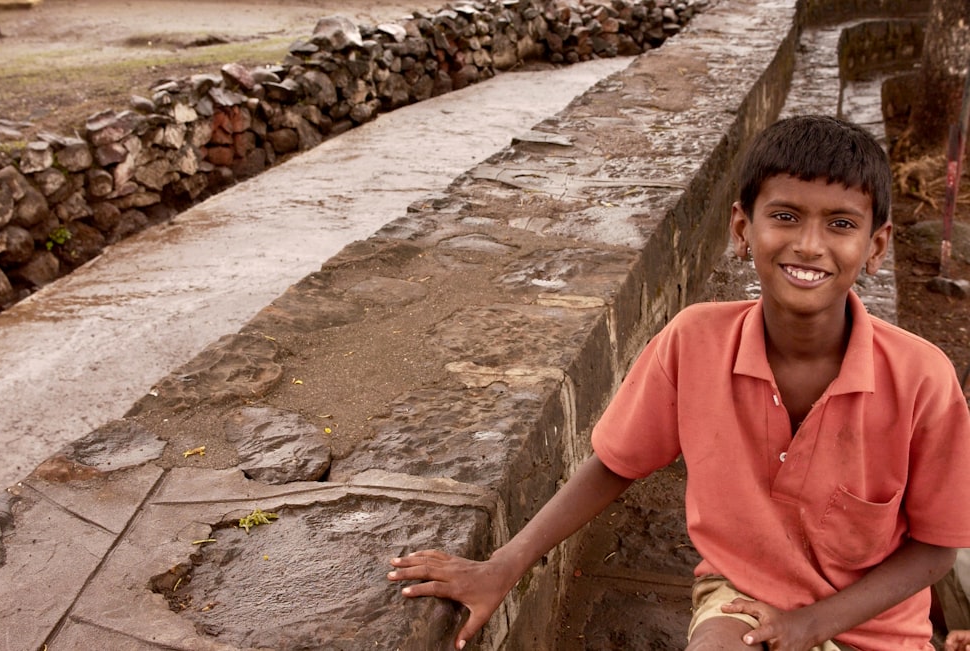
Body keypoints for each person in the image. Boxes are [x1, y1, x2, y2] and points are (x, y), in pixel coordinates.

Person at [387, 115, 970, 650]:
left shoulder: (922, 379)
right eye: (785, 216)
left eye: (840, 224)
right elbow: (616, 463)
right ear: (743, 228)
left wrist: (812, 626)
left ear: (875, 247)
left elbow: (937, 546)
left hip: (878, 629)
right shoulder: (695, 342)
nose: (809, 245)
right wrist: (505, 565)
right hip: (741, 597)